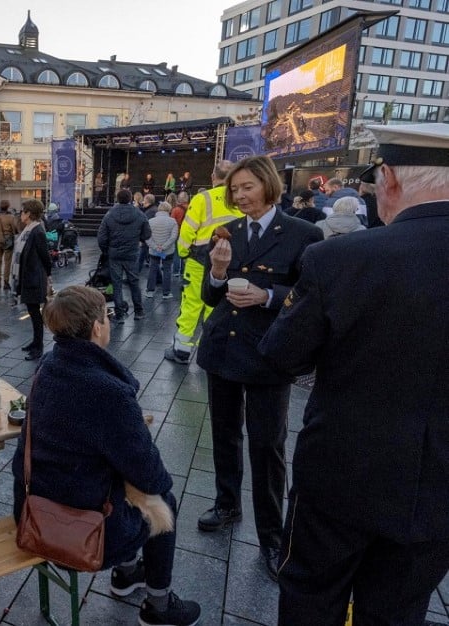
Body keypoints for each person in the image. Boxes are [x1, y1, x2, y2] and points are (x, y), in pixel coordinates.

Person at [260, 122, 449, 624]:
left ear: (388, 178)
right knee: (400, 609)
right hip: (440, 491)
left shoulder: (339, 258)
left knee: (311, 598)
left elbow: (282, 356)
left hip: (341, 476)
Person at [11, 286, 202, 626]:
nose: (109, 323)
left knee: (116, 478)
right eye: (107, 316)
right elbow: (149, 474)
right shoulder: (106, 390)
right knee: (163, 499)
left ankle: (126, 575)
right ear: (97, 328)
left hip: (31, 505)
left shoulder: (48, 364)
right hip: (79, 529)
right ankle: (159, 605)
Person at [195, 156, 323, 582]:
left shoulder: (304, 234)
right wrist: (215, 271)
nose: (238, 195)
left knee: (267, 446)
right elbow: (211, 298)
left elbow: (309, 297)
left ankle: (271, 536)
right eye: (234, 189)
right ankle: (227, 503)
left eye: (246, 187)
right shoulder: (226, 233)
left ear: (269, 186)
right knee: (225, 434)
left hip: (269, 355)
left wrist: (266, 297)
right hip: (223, 350)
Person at [165, 160, 241, 364]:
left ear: (213, 177)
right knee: (216, 307)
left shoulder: (202, 199)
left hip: (199, 260)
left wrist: (182, 253)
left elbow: (187, 232)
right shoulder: (240, 199)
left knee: (192, 304)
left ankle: (181, 349)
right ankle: (208, 349)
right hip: (231, 262)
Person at [97, 189, 151, 322]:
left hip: (114, 254)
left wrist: (106, 251)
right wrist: (139, 240)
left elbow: (101, 237)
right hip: (132, 252)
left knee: (117, 284)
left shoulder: (110, 214)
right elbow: (147, 234)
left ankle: (120, 314)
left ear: (117, 198)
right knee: (134, 282)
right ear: (130, 198)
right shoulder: (139, 214)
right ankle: (139, 311)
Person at [14, 199, 51, 360]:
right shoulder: (29, 229)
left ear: (29, 213)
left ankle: (39, 346)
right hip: (28, 276)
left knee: (35, 314)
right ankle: (35, 342)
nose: (20, 214)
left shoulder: (37, 231)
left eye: (22, 211)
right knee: (32, 311)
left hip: (34, 278)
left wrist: (48, 276)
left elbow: (45, 256)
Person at [145, 202, 179, 300]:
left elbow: (147, 237)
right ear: (169, 210)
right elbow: (173, 237)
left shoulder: (151, 221)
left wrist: (155, 247)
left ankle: (150, 290)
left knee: (153, 269)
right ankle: (166, 292)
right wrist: (163, 247)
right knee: (167, 270)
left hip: (154, 250)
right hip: (168, 250)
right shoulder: (173, 221)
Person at [0, 200, 17, 291]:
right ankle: (6, 282)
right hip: (8, 241)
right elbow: (15, 229)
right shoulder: (11, 217)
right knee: (7, 262)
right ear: (8, 207)